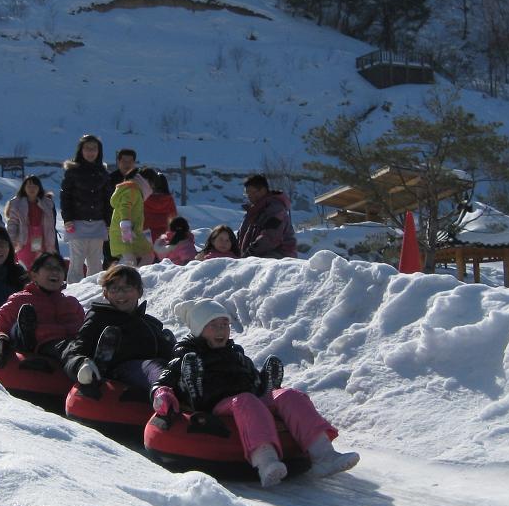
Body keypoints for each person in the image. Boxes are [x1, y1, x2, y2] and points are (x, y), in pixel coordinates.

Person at [154, 298, 359, 488]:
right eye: (213, 325)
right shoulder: (185, 356)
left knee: (290, 396)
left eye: (224, 324)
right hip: (213, 404)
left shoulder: (236, 354)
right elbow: (163, 381)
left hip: (246, 399)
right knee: (247, 400)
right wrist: (162, 395)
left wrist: (263, 384)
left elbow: (250, 377)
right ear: (199, 330)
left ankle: (325, 455)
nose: (221, 330)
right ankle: (265, 462)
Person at [61, 264, 174, 398]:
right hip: (118, 373)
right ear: (106, 294)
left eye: (127, 288)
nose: (121, 294)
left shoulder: (150, 324)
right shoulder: (99, 317)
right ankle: (164, 396)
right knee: (154, 367)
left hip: (149, 372)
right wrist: (80, 364)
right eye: (114, 289)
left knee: (171, 360)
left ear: (139, 291)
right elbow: (75, 350)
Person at [0, 252, 84, 367]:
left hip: (70, 343)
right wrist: (0, 344)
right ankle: (24, 335)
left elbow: (83, 327)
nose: (55, 272)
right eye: (48, 267)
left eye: (59, 268)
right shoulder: (19, 299)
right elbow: (0, 328)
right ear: (34, 275)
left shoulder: (71, 302)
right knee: (25, 316)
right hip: (41, 343)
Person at [60, 134, 113, 282]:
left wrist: (108, 222)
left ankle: (92, 294)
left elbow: (108, 200)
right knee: (76, 263)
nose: (91, 152)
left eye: (94, 149)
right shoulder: (73, 171)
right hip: (77, 222)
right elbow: (66, 196)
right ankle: (73, 295)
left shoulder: (103, 173)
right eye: (87, 149)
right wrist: (68, 218)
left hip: (98, 222)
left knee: (95, 264)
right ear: (81, 150)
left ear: (99, 151)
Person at [109, 151, 153, 267]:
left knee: (147, 255)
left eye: (130, 161)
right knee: (130, 261)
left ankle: (137, 277)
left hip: (131, 232)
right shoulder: (132, 189)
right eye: (124, 161)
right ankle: (119, 278)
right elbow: (125, 207)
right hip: (122, 232)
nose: (127, 164)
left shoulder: (136, 190)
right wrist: (125, 226)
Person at [5, 175, 60, 269]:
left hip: (39, 237)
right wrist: (11, 239)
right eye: (29, 186)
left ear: (39, 188)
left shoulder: (46, 203)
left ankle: (35, 282)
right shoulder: (16, 203)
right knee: (24, 263)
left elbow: (50, 225)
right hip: (23, 237)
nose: (32, 189)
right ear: (24, 188)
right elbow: (12, 223)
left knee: (37, 262)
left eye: (35, 186)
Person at [236, 174, 297, 259]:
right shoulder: (253, 212)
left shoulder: (275, 209)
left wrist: (248, 254)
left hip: (278, 258)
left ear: (263, 190)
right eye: (247, 193)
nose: (249, 196)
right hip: (255, 257)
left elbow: (270, 237)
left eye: (252, 192)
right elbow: (240, 236)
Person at [141, 169, 177, 246]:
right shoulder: (169, 199)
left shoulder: (144, 199)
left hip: (147, 235)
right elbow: (174, 217)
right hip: (165, 236)